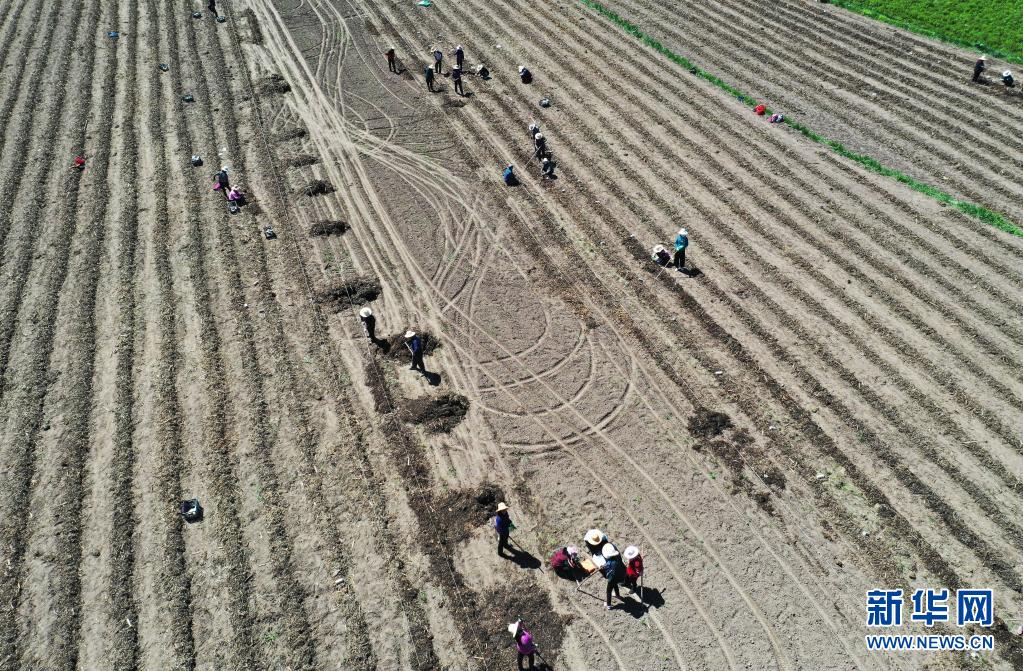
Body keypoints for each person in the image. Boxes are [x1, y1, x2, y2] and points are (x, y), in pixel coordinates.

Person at [602, 544, 623, 610]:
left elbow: (606, 569)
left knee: (608, 591)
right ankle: (618, 595)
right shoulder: (617, 559)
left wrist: (602, 567)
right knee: (615, 585)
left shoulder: (609, 563)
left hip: (612, 578)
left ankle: (608, 605)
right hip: (618, 576)